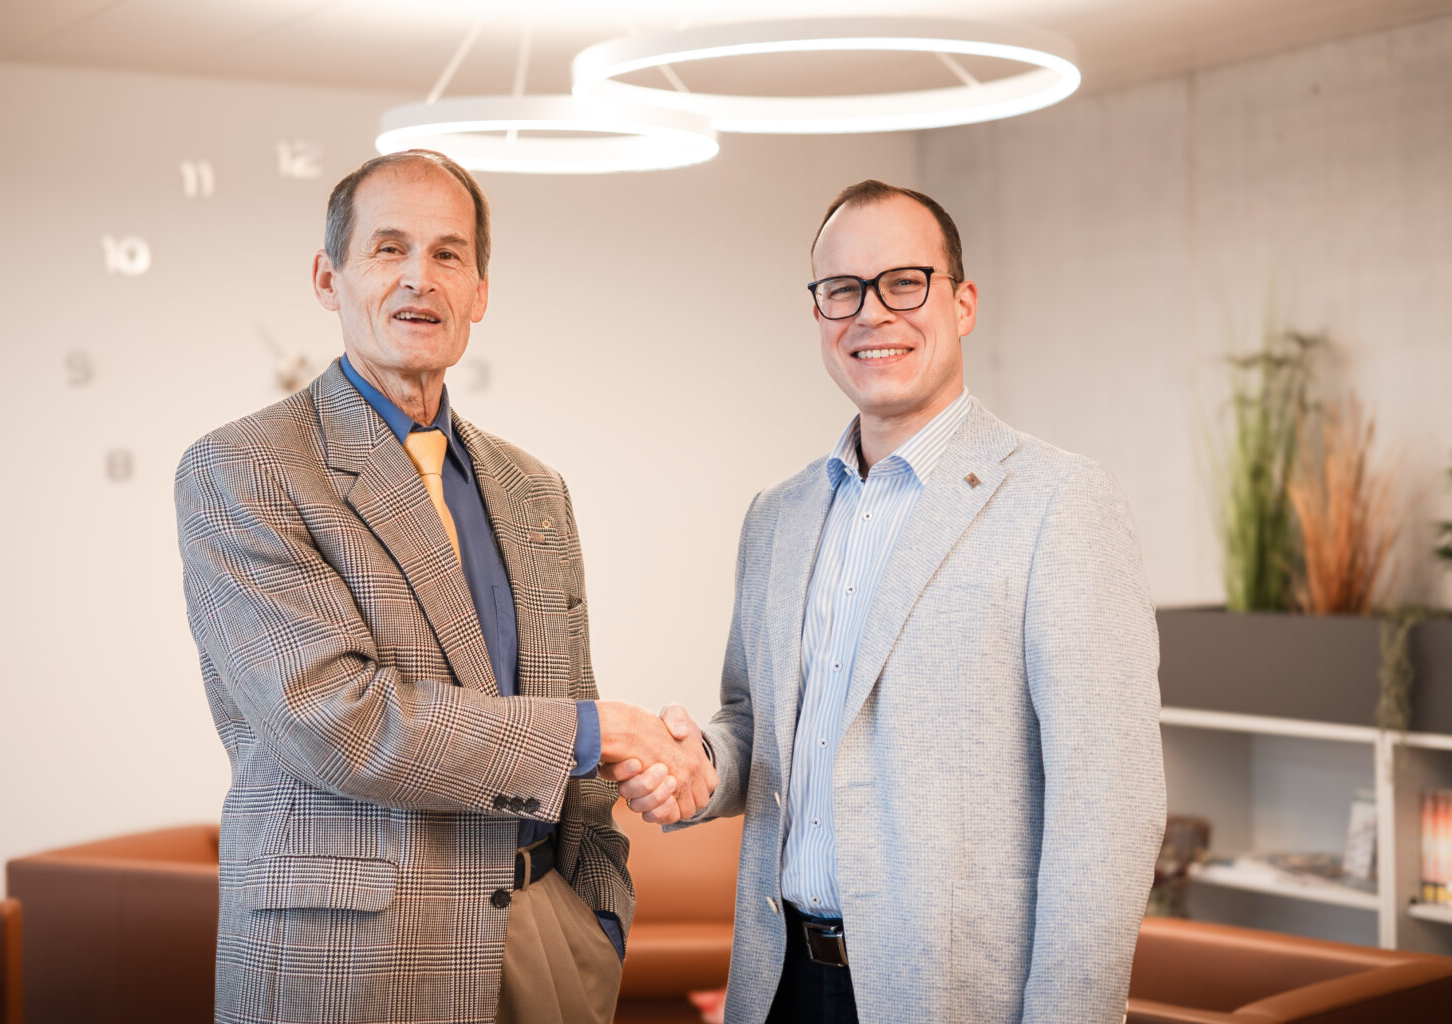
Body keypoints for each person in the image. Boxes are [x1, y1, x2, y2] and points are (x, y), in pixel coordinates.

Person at [175, 149, 714, 1024]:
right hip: (353, 960)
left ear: (480, 293)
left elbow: (564, 697)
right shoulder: (246, 468)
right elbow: (335, 721)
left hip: (549, 935)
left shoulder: (534, 488)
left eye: (448, 254)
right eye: (388, 249)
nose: (419, 278)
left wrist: (599, 911)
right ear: (328, 278)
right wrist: (599, 731)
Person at [612, 180, 1165, 1024]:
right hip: (778, 982)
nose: (872, 314)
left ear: (962, 302)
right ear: (818, 313)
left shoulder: (1061, 503)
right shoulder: (777, 516)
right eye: (843, 290)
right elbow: (757, 724)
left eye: (905, 283)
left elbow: (1109, 811)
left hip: (953, 994)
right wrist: (701, 767)